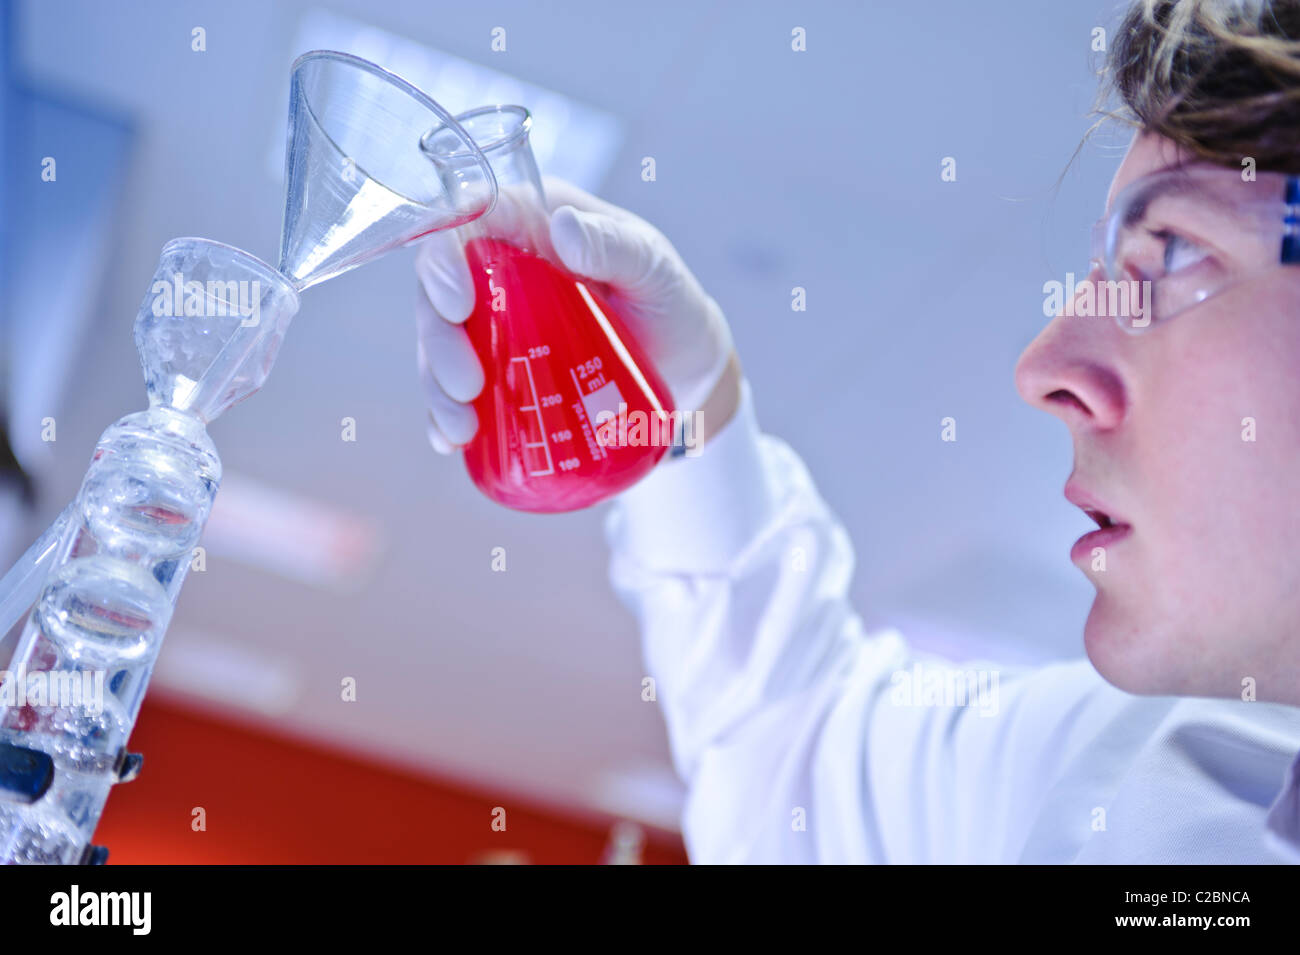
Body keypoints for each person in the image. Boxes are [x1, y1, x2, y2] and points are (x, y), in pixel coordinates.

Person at [413, 0, 1300, 863]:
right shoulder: (1155, 772)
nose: (1044, 368)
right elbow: (787, 755)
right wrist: (682, 399)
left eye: (1175, 249)